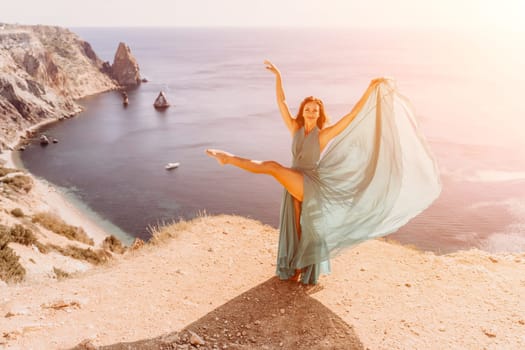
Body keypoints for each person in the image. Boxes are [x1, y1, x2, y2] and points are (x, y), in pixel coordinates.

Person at [206, 60, 441, 285]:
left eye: (315, 110)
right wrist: (279, 77)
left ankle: (228, 159)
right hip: (294, 181)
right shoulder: (295, 128)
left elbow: (350, 117)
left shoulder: (322, 135)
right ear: (303, 111)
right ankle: (296, 268)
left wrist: (370, 90)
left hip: (309, 183)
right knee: (299, 227)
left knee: (272, 167)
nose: (311, 113)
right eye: (308, 109)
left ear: (320, 114)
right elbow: (282, 103)